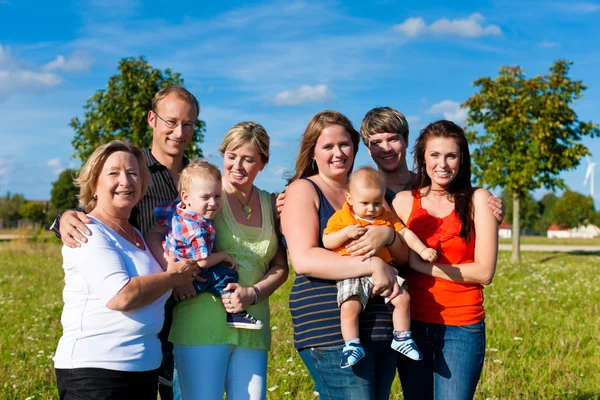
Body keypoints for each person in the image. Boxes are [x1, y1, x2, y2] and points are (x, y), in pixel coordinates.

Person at [52, 86, 200, 399]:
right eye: (171, 122)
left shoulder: (199, 176)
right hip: (114, 348)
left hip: (185, 318)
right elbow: (93, 217)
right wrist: (63, 218)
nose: (179, 131)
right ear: (152, 119)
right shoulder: (134, 167)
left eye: (188, 124)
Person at [147, 121, 288, 399]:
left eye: (248, 159)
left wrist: (253, 293)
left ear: (262, 162)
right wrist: (173, 274)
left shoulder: (269, 203)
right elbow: (156, 235)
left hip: (252, 323)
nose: (237, 166)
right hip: (202, 323)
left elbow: (281, 267)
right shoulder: (206, 192)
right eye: (231, 156)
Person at [281, 110, 405, 400]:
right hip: (329, 328)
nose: (338, 153)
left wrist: (389, 236)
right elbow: (304, 259)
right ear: (312, 152)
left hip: (380, 326)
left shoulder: (369, 191)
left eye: (344, 144)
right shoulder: (304, 189)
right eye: (327, 146)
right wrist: (372, 264)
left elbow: (401, 258)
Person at [392, 120, 498, 399]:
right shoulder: (404, 202)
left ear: (462, 160)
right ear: (422, 158)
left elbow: (484, 272)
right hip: (410, 324)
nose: (443, 164)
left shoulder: (478, 200)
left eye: (451, 155)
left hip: (461, 325)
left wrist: (421, 266)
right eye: (435, 155)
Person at [322, 166, 435, 368]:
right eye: (364, 203)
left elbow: (405, 234)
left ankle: (402, 337)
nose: (371, 209)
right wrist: (345, 234)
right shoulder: (342, 218)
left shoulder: (386, 217)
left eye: (377, 202)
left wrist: (423, 250)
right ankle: (352, 344)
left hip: (385, 269)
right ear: (349, 199)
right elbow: (327, 241)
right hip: (353, 270)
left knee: (403, 298)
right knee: (349, 306)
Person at [154, 159, 263, 329]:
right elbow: (203, 261)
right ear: (186, 197)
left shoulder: (177, 209)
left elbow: (160, 213)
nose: (213, 203)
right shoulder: (197, 229)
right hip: (193, 275)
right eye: (205, 197)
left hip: (177, 269)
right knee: (225, 275)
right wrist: (223, 256)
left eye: (217, 196)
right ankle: (235, 313)